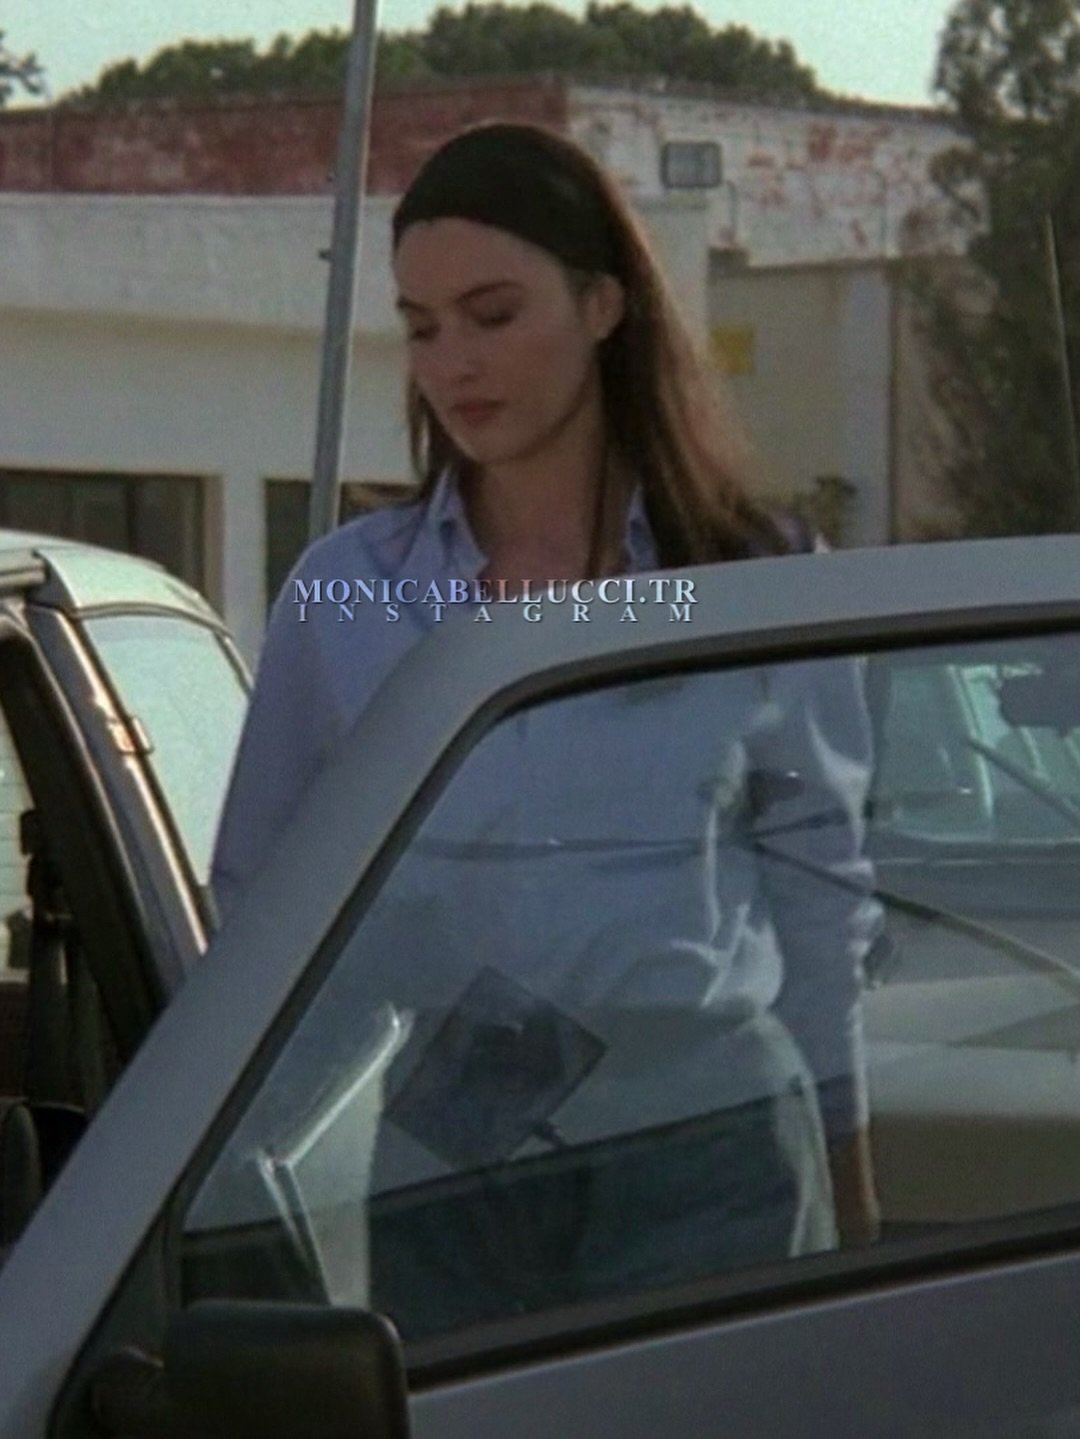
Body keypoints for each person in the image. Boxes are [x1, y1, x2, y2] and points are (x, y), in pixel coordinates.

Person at [210, 121, 881, 1332]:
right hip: (456, 1120)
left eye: (493, 313)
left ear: (604, 305)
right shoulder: (352, 592)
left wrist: (851, 1168)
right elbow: (266, 906)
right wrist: (221, 1195)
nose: (454, 363)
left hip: (704, 1118)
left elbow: (821, 889)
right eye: (422, 328)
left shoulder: (749, 576)